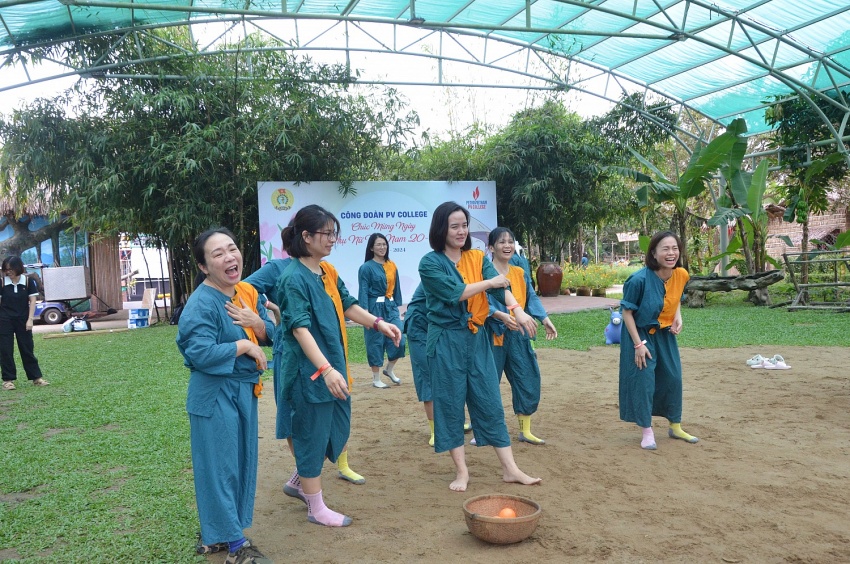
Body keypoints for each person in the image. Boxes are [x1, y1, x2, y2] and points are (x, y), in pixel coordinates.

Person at [275, 205, 401, 526]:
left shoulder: (326, 270)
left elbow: (347, 303)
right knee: (310, 430)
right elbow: (300, 328)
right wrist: (326, 370)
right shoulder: (292, 278)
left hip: (332, 362)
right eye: (327, 233)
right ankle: (315, 508)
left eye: (334, 233)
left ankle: (298, 479)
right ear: (306, 236)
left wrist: (377, 324)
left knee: (334, 426)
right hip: (308, 370)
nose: (333, 239)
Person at [418, 201, 542, 492]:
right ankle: (462, 472)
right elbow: (456, 293)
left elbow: (500, 285)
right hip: (446, 341)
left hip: (476, 339)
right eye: (454, 226)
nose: (461, 231)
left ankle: (510, 468)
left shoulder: (476, 257)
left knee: (489, 399)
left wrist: (517, 310)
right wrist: (489, 284)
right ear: (441, 229)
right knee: (449, 405)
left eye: (464, 225)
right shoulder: (430, 263)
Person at [176, 228, 275, 563]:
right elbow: (199, 352)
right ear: (204, 267)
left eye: (232, 249)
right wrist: (244, 344)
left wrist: (258, 325)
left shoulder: (244, 293)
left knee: (239, 463)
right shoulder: (201, 304)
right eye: (217, 253)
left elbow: (273, 333)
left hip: (242, 391)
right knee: (221, 468)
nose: (229, 257)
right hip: (215, 394)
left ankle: (217, 533)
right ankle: (234, 545)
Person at [619, 230, 699, 450]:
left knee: (673, 377)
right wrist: (637, 345)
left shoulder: (681, 274)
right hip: (641, 334)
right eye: (665, 249)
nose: (671, 253)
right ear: (654, 253)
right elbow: (626, 313)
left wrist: (677, 316)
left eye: (675, 248)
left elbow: (676, 298)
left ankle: (675, 426)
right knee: (644, 380)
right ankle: (647, 431)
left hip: (665, 333)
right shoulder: (638, 280)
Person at [485, 227, 557, 445]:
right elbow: (479, 302)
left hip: (519, 335)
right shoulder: (484, 275)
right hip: (493, 336)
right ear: (491, 248)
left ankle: (525, 430)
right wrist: (499, 315)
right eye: (501, 242)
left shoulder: (519, 273)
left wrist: (544, 319)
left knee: (527, 377)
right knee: (487, 384)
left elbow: (531, 298)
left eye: (510, 242)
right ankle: (484, 430)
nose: (507, 246)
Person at [358, 233, 406, 388]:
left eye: (384, 244)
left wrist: (398, 309)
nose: (382, 247)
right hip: (374, 308)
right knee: (375, 341)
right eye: (378, 244)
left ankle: (389, 370)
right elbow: (363, 291)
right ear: (371, 247)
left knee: (400, 339)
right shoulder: (366, 268)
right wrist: (364, 315)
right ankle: (376, 378)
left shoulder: (392, 265)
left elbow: (397, 289)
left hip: (390, 307)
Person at [1, 256, 49, 390]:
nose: (8, 272)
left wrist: (30, 319)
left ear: (18, 268)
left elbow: (32, 301)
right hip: (5, 320)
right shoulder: (2, 282)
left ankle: (36, 378)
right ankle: (8, 380)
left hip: (23, 319)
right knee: (5, 350)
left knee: (27, 348)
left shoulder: (28, 281)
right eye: (6, 269)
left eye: (10, 269)